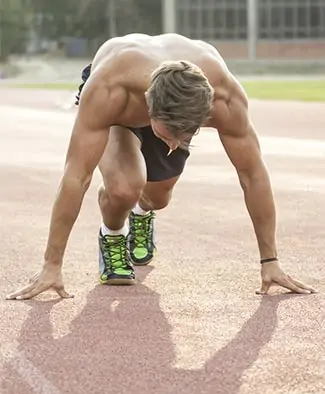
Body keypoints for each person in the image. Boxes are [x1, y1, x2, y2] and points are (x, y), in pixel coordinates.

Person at [6, 33, 316, 300]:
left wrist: (270, 260)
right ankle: (113, 235)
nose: (173, 145)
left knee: (158, 198)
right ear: (149, 108)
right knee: (125, 187)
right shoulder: (110, 90)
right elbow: (76, 176)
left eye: (188, 135)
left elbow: (252, 174)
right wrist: (51, 265)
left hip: (172, 104)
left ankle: (143, 213)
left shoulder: (224, 98)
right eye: (171, 136)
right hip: (120, 114)